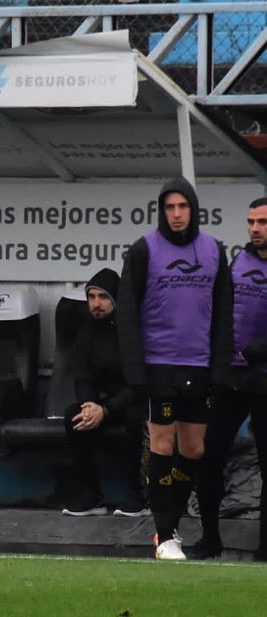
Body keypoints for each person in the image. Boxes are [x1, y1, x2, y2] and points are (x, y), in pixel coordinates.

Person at [117, 177, 232, 561]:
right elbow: (127, 313)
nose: (177, 214)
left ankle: (172, 523)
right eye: (170, 207)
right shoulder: (143, 249)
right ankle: (164, 534)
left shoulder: (214, 251)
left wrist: (219, 369)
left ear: (193, 209)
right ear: (161, 211)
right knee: (162, 445)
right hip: (159, 365)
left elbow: (224, 315)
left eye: (183, 207)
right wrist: (135, 372)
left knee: (193, 449)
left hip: (199, 366)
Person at [187, 197, 267, 560]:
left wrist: (256, 350)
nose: (255, 228)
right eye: (251, 221)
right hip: (231, 379)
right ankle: (210, 539)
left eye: (262, 222)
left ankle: (265, 547)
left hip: (263, 381)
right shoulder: (239, 262)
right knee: (208, 456)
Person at [61, 267, 149, 518]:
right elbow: (82, 375)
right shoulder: (87, 329)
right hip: (104, 402)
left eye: (103, 297)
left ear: (115, 299)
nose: (96, 304)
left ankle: (137, 494)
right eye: (91, 297)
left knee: (135, 420)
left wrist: (106, 409)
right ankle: (91, 494)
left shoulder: (132, 329)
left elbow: (140, 383)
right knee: (75, 417)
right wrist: (89, 405)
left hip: (135, 400)